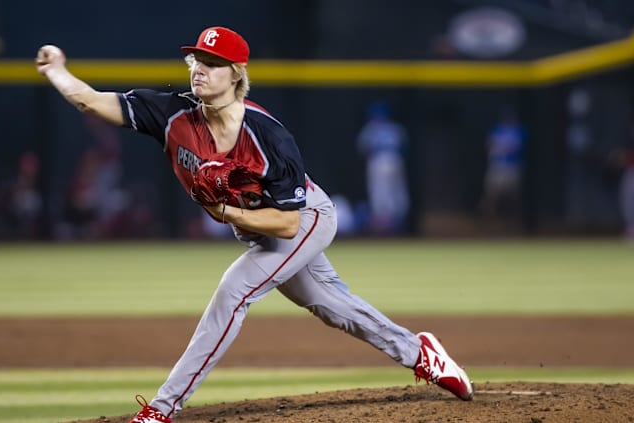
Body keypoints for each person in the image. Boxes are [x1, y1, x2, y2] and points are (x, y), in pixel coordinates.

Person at [35, 26, 473, 422]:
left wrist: (226, 213)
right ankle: (421, 354)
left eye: (212, 64)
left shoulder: (269, 137)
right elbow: (89, 100)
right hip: (258, 224)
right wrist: (57, 71)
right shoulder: (171, 114)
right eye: (196, 61)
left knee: (234, 291)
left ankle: (161, 409)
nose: (199, 71)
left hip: (305, 218)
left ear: (236, 74)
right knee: (333, 307)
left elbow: (285, 224)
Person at [356, 101, 409, 235]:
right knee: (396, 192)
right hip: (395, 159)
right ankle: (396, 223)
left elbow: (364, 148)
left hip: (379, 160)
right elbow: (403, 147)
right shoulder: (395, 128)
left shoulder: (371, 128)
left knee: (380, 193)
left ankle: (384, 224)